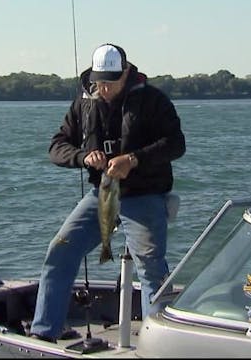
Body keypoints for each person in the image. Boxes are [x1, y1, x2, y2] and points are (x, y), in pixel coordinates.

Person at [29, 43, 186, 342]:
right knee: (59, 251)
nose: (103, 89)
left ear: (126, 73)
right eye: (99, 82)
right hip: (100, 195)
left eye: (110, 83)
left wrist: (134, 159)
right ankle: (44, 331)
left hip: (144, 195)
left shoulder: (153, 101)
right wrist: (83, 157)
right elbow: (57, 146)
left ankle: (159, 344)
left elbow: (175, 144)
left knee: (151, 268)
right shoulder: (83, 103)